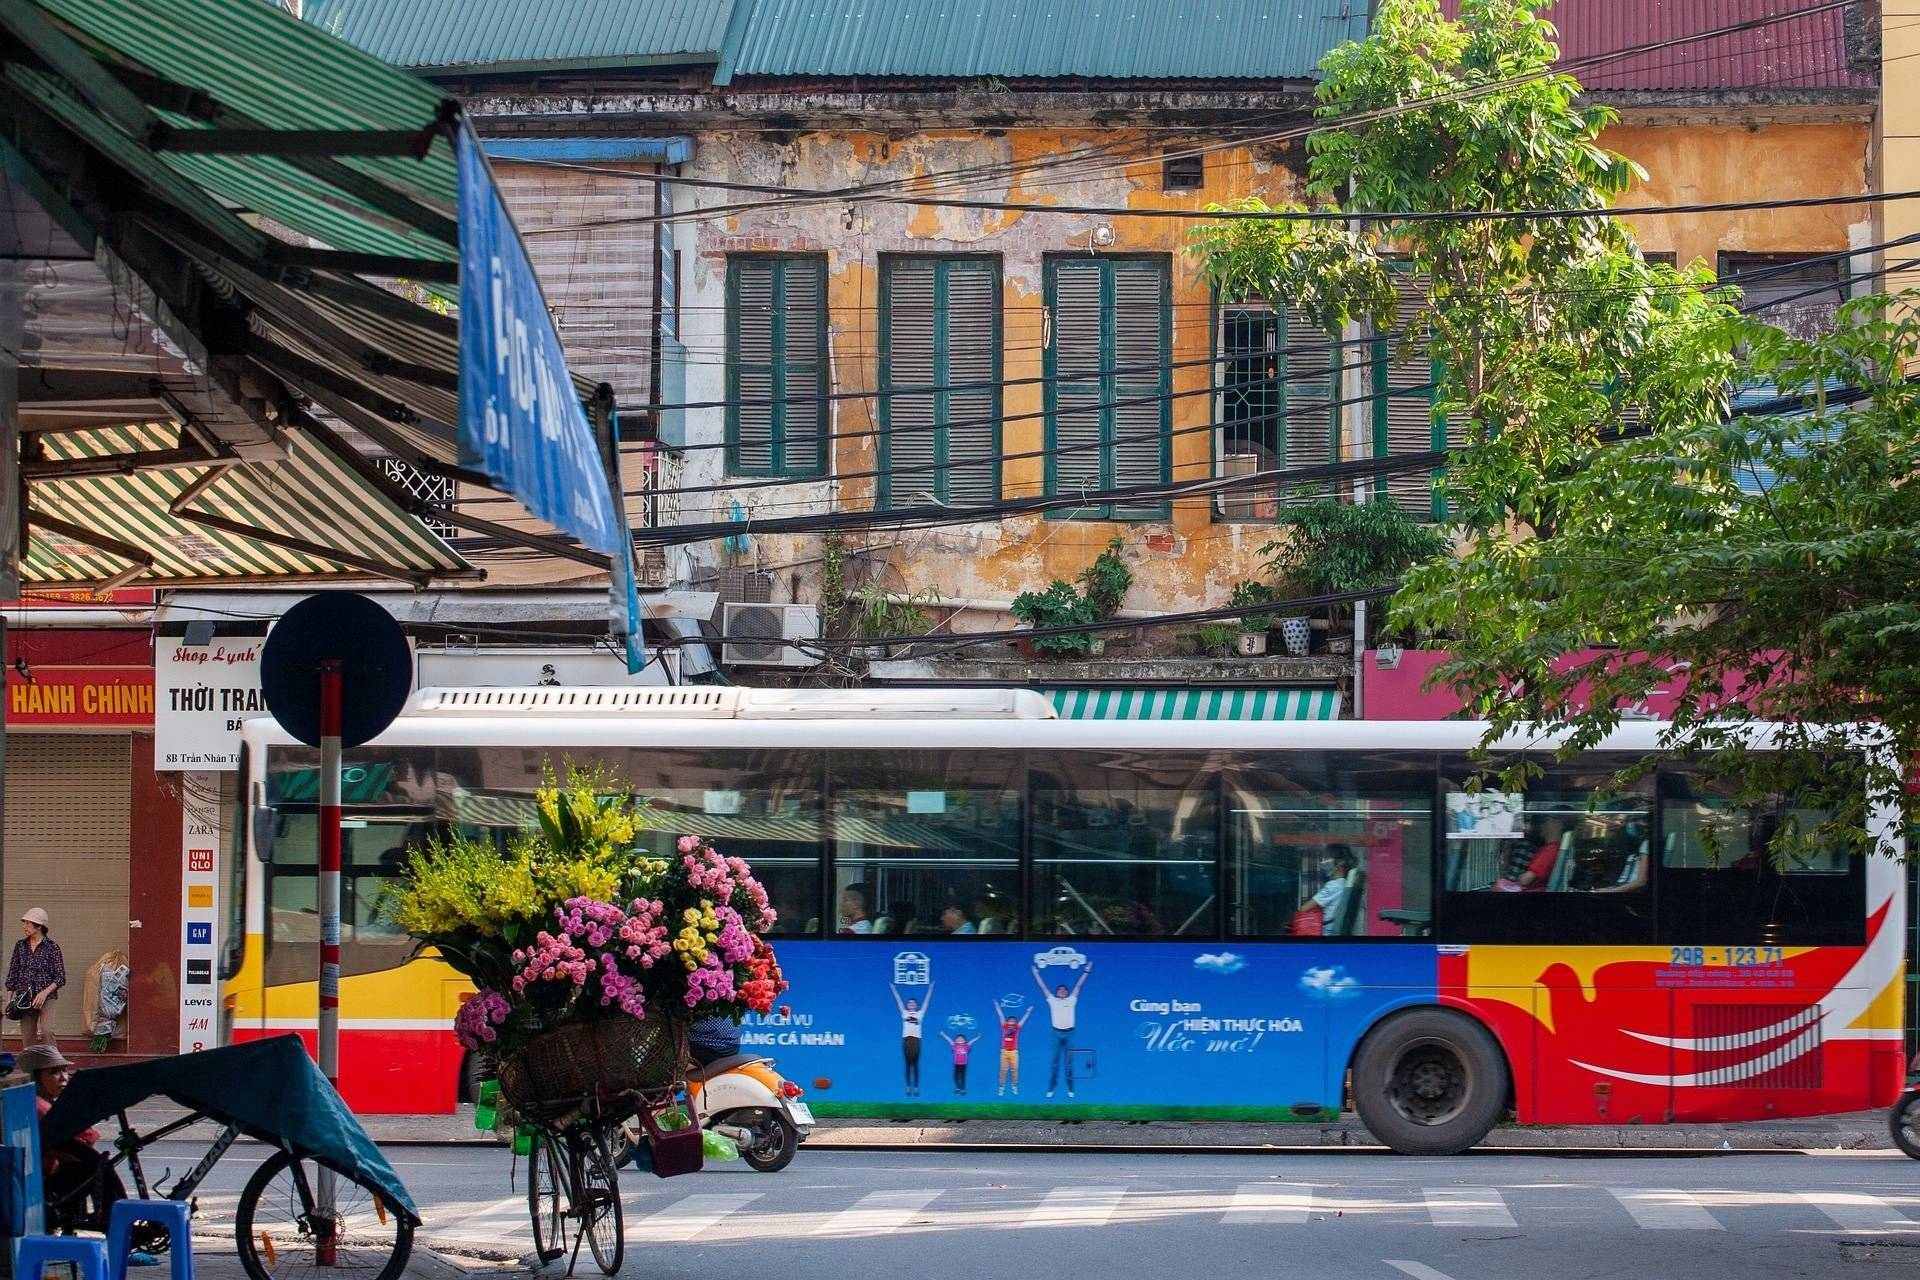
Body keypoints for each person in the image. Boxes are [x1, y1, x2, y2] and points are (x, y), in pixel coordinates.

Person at [21, 1044, 128, 1237]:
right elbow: (87, 1137)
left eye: (64, 1070)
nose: (64, 1077)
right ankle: (117, 1224)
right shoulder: (40, 1107)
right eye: (54, 1072)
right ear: (35, 1078)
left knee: (96, 1166)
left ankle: (115, 1221)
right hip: (43, 1186)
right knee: (97, 1166)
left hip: (45, 1179)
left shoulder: (44, 1103)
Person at [1032, 960, 1092, 1100]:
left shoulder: (1072, 1000)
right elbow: (1042, 986)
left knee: (1069, 1063)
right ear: (1056, 993)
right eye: (1060, 990)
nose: (1062, 991)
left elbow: (1079, 985)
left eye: (1065, 990)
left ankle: (1070, 1088)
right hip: (1056, 1034)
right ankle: (1051, 1088)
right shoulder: (1052, 1000)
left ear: (1067, 993)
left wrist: (1086, 971)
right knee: (1055, 1063)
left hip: (1070, 1034)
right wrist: (1036, 973)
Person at [6, 908, 65, 1047]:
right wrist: (9, 1000)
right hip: (24, 998)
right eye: (24, 923)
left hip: (47, 997)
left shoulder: (52, 947)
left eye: (28, 923)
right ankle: (33, 1062)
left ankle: (52, 1061)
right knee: (28, 1038)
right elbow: (13, 974)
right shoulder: (20, 946)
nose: (24, 926)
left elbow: (60, 977)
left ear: (39, 926)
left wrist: (44, 993)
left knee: (47, 1031)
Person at [890, 982, 931, 1097]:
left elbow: (926, 1002)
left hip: (916, 1041)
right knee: (908, 1064)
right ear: (907, 1005)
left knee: (915, 1065)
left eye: (913, 1003)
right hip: (906, 1040)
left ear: (916, 1006)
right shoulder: (904, 1013)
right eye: (909, 1003)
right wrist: (894, 989)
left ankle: (916, 1087)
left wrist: (930, 989)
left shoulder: (920, 1014)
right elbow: (898, 1001)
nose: (911, 1004)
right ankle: (908, 1087)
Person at [1515, 818, 1568, 891]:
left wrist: (1519, 878)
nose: (1541, 826)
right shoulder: (1551, 848)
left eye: (1544, 821)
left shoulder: (1550, 851)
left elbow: (1525, 880)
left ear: (1556, 824)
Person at [993, 998, 1032, 1096]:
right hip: (1004, 1052)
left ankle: (1014, 1086)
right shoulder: (1004, 1026)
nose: (1012, 1022)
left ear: (1015, 1023)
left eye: (1013, 1021)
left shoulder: (1017, 1028)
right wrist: (997, 1006)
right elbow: (1001, 1015)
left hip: (1014, 1052)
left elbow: (1024, 1020)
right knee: (1003, 1070)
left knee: (1014, 1069)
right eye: (1010, 1020)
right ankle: (1001, 1087)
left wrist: (1028, 1012)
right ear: (1007, 1022)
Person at [1311, 852, 1356, 936]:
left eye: (1329, 862)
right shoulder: (1343, 883)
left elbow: (1304, 908)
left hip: (1328, 930)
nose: (1324, 865)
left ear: (1338, 867)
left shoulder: (1333, 885)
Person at [940, 1030, 974, 1096]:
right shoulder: (954, 1045)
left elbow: (971, 1041)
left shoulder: (966, 1046)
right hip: (956, 1064)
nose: (960, 1039)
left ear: (965, 1040)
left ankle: (963, 1089)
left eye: (961, 1038)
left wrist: (978, 1037)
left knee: (962, 1077)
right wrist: (943, 1034)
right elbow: (949, 1040)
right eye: (958, 1038)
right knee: (955, 1077)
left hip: (964, 1064)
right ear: (955, 1040)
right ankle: (958, 1088)